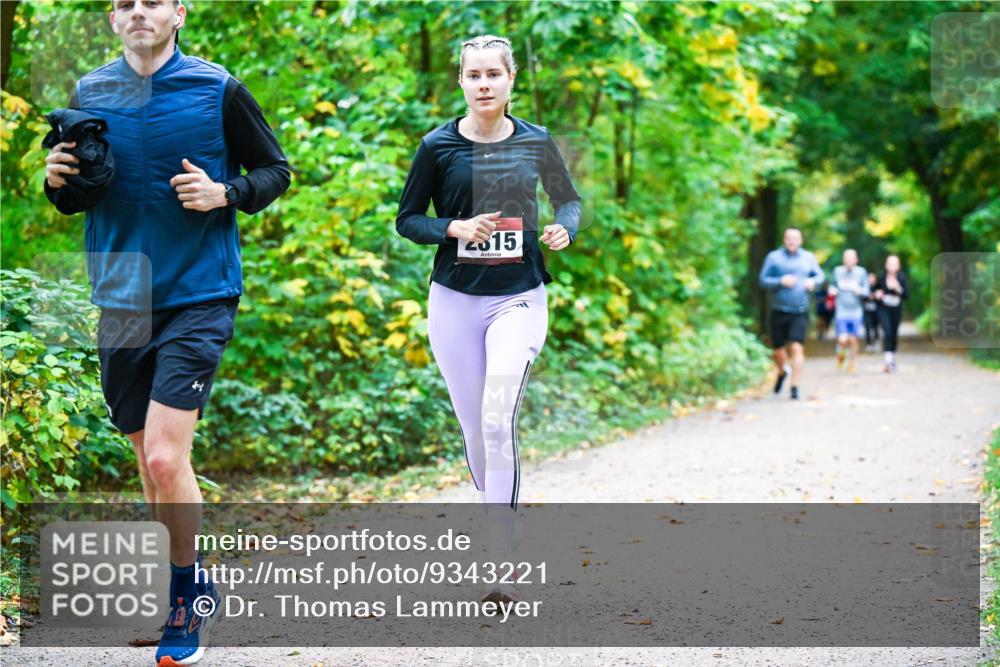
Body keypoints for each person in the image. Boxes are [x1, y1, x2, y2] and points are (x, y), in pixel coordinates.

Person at [42, 1, 290, 665]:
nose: (137, 11)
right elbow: (74, 194)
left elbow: (275, 172)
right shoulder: (90, 93)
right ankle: (191, 578)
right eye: (124, 3)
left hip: (199, 291)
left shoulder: (217, 88)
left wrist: (224, 194)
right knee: (148, 465)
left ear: (179, 12)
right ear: (112, 18)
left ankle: (184, 602)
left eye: (152, 0)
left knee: (162, 456)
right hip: (121, 293)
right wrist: (55, 180)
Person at [396, 34, 580, 602]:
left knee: (498, 418)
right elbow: (407, 219)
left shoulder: (536, 141)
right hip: (453, 299)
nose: (483, 84)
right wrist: (452, 228)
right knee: (475, 429)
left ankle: (499, 557)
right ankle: (501, 516)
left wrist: (564, 227)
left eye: (493, 75)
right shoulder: (437, 146)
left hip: (518, 297)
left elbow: (567, 199)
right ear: (461, 82)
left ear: (510, 80)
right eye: (473, 75)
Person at [758, 228, 825, 400]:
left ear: (801, 240)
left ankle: (794, 386)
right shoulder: (773, 257)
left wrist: (813, 282)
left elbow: (820, 277)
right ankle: (782, 371)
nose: (791, 241)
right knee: (778, 351)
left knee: (797, 347)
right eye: (788, 238)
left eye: (795, 238)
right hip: (779, 310)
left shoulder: (808, 257)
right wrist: (780, 281)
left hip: (800, 311)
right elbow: (762, 280)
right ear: (784, 239)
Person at [829, 249, 869, 373]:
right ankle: (841, 354)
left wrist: (860, 291)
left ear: (856, 260)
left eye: (851, 258)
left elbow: (867, 291)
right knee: (842, 339)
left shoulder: (861, 272)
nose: (849, 261)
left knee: (853, 339)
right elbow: (832, 285)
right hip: (841, 310)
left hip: (856, 311)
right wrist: (832, 291)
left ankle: (852, 363)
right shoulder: (837, 271)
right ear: (843, 259)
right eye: (846, 258)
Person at [875, 255, 907, 373]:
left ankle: (891, 359)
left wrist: (898, 288)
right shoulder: (882, 277)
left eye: (894, 264)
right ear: (886, 265)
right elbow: (874, 292)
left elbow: (906, 295)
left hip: (896, 310)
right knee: (887, 332)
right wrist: (877, 294)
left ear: (898, 266)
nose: (892, 266)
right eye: (890, 264)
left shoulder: (902, 278)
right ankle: (888, 360)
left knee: (893, 333)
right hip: (883, 309)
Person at [862, 271, 880, 352]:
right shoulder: (864, 288)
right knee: (867, 327)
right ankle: (869, 344)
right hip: (866, 311)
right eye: (869, 278)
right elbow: (862, 298)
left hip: (876, 311)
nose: (871, 279)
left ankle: (876, 341)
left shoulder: (878, 287)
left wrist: (875, 297)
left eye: (872, 278)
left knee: (876, 327)